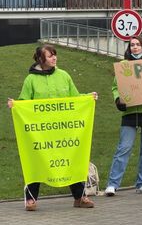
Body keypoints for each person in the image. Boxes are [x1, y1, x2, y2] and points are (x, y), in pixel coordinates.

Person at [8, 44, 97, 211]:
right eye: (50, 56)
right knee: (36, 161)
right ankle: (31, 199)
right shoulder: (31, 80)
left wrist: (88, 98)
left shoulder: (64, 76)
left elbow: (75, 97)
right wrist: (15, 105)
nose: (54, 58)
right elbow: (24, 102)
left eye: (55, 55)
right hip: (40, 133)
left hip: (64, 130)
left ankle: (80, 196)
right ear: (41, 59)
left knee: (71, 159)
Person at [105, 36, 142, 196]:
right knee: (124, 148)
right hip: (130, 112)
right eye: (132, 45)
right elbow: (116, 85)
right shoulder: (124, 66)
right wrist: (118, 99)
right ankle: (112, 184)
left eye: (137, 45)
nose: (134, 47)